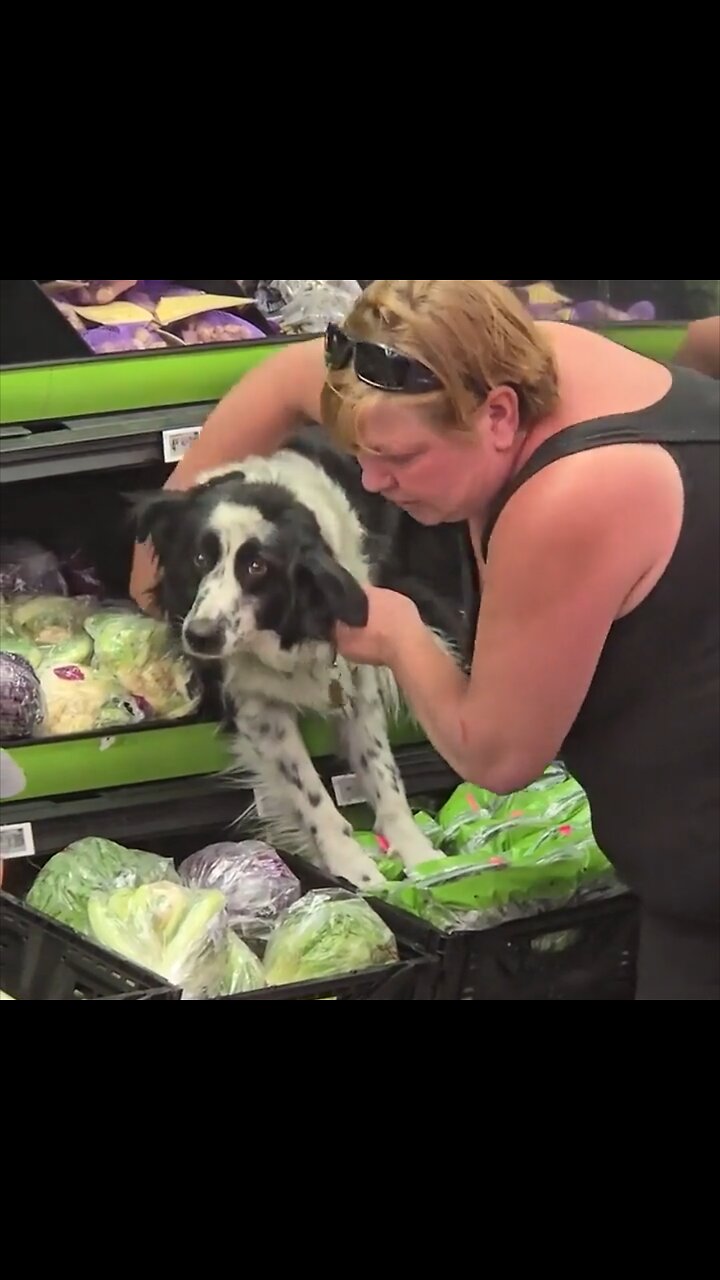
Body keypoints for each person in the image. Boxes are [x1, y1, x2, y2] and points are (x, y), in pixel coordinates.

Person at [130, 280, 720, 1001]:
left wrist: (399, 633)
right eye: (361, 453)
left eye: (400, 460)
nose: (374, 483)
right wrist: (171, 530)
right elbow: (286, 378)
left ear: (497, 415)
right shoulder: (518, 359)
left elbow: (498, 755)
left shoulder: (571, 499)